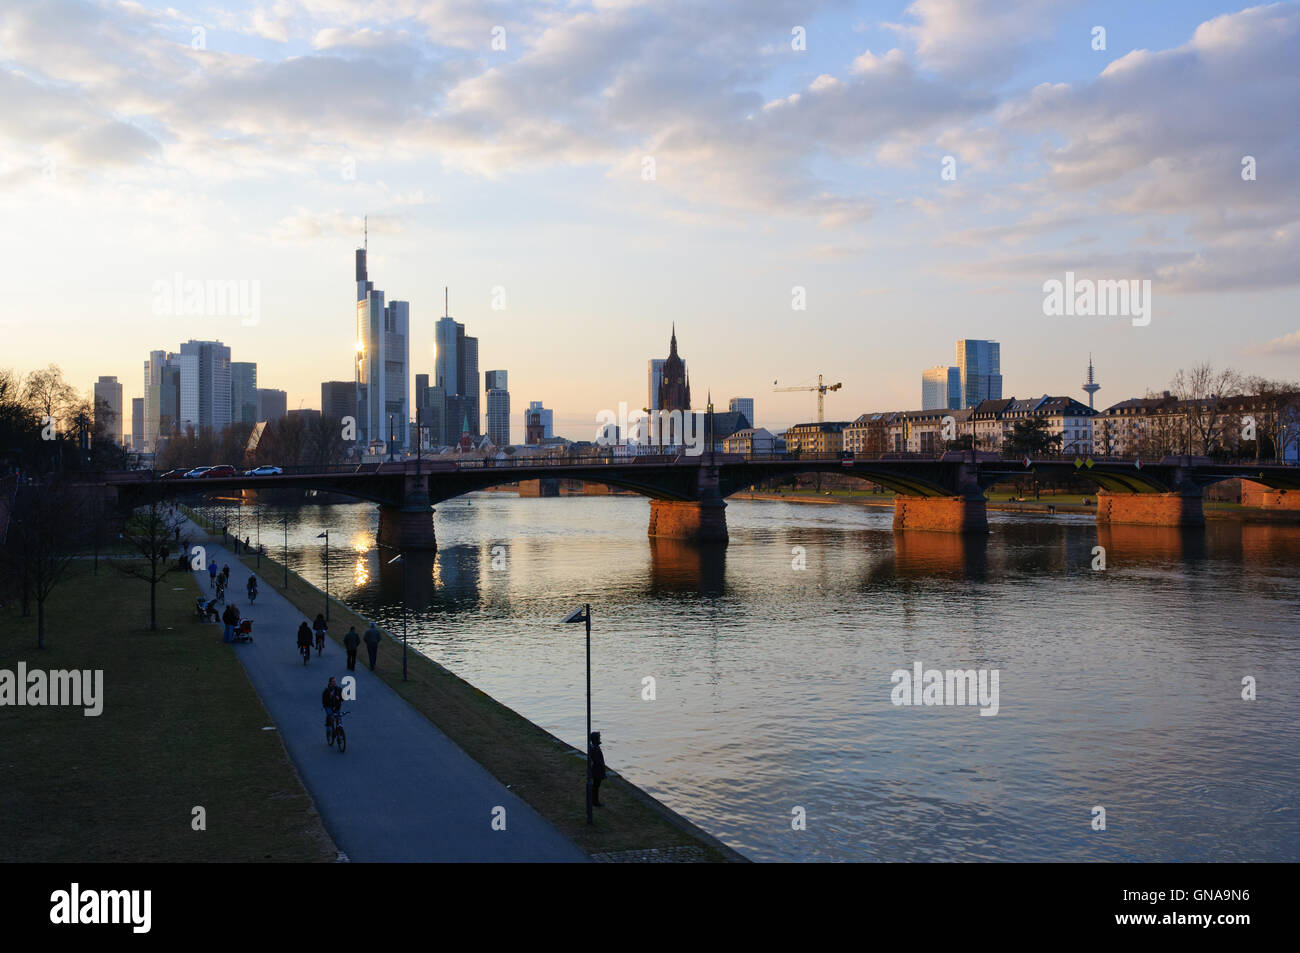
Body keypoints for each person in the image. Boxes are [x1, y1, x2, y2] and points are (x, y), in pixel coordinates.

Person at [588, 731, 607, 807]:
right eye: (599, 737)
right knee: (596, 786)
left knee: (596, 786)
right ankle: (595, 802)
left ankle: (595, 801)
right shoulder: (595, 749)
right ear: (596, 739)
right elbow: (597, 761)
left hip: (597, 770)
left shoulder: (594, 748)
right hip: (597, 771)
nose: (600, 738)